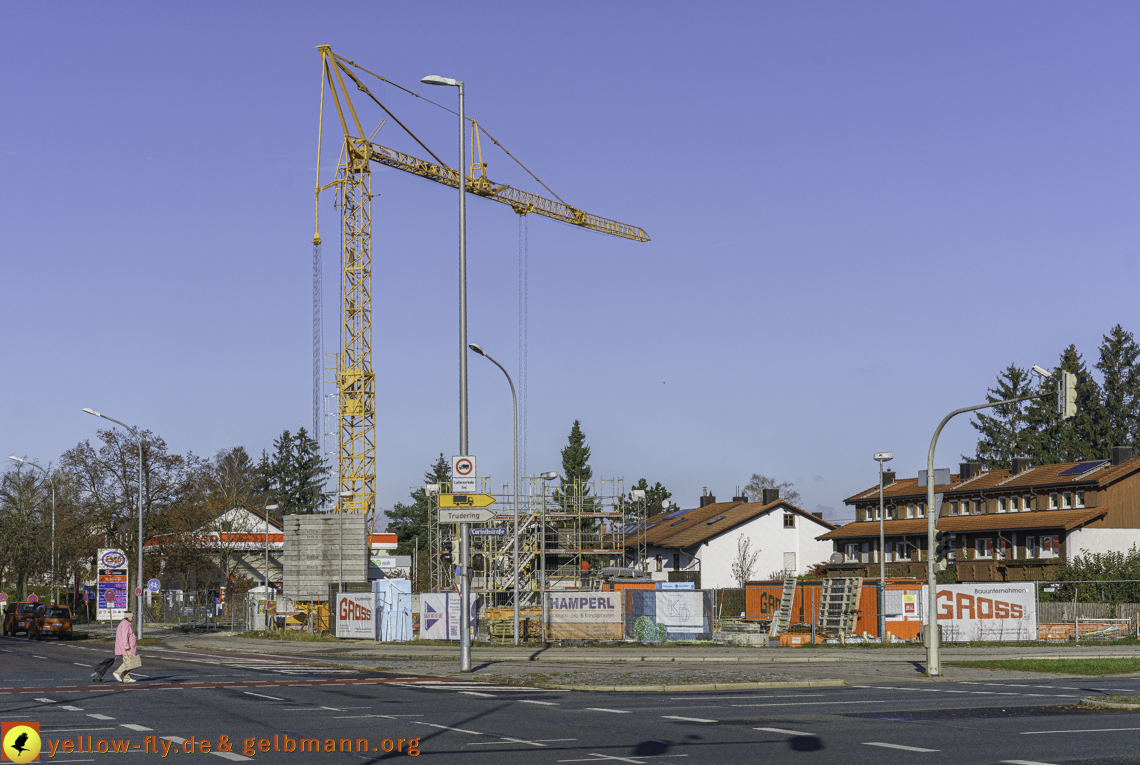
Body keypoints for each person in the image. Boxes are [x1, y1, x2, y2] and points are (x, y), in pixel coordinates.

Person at [112, 612, 140, 683]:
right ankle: (117, 673)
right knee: (129, 662)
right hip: (126, 647)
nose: (132, 618)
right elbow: (124, 636)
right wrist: (127, 646)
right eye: (132, 617)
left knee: (128, 661)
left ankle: (126, 678)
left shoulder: (124, 623)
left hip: (125, 646)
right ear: (128, 617)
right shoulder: (125, 624)